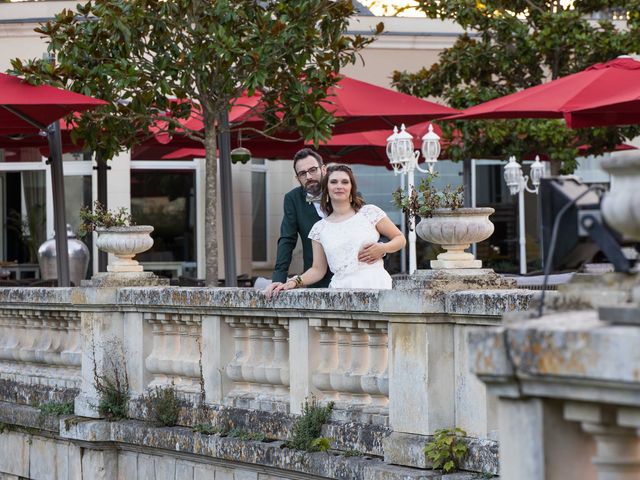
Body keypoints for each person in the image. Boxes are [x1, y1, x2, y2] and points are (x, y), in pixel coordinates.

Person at [270, 164, 406, 294]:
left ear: (351, 187)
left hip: (377, 285)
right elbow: (318, 269)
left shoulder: (369, 212)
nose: (339, 186)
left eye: (345, 182)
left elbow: (400, 239)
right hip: (340, 291)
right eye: (334, 182)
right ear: (327, 188)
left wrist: (382, 248)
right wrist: (294, 281)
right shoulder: (319, 229)